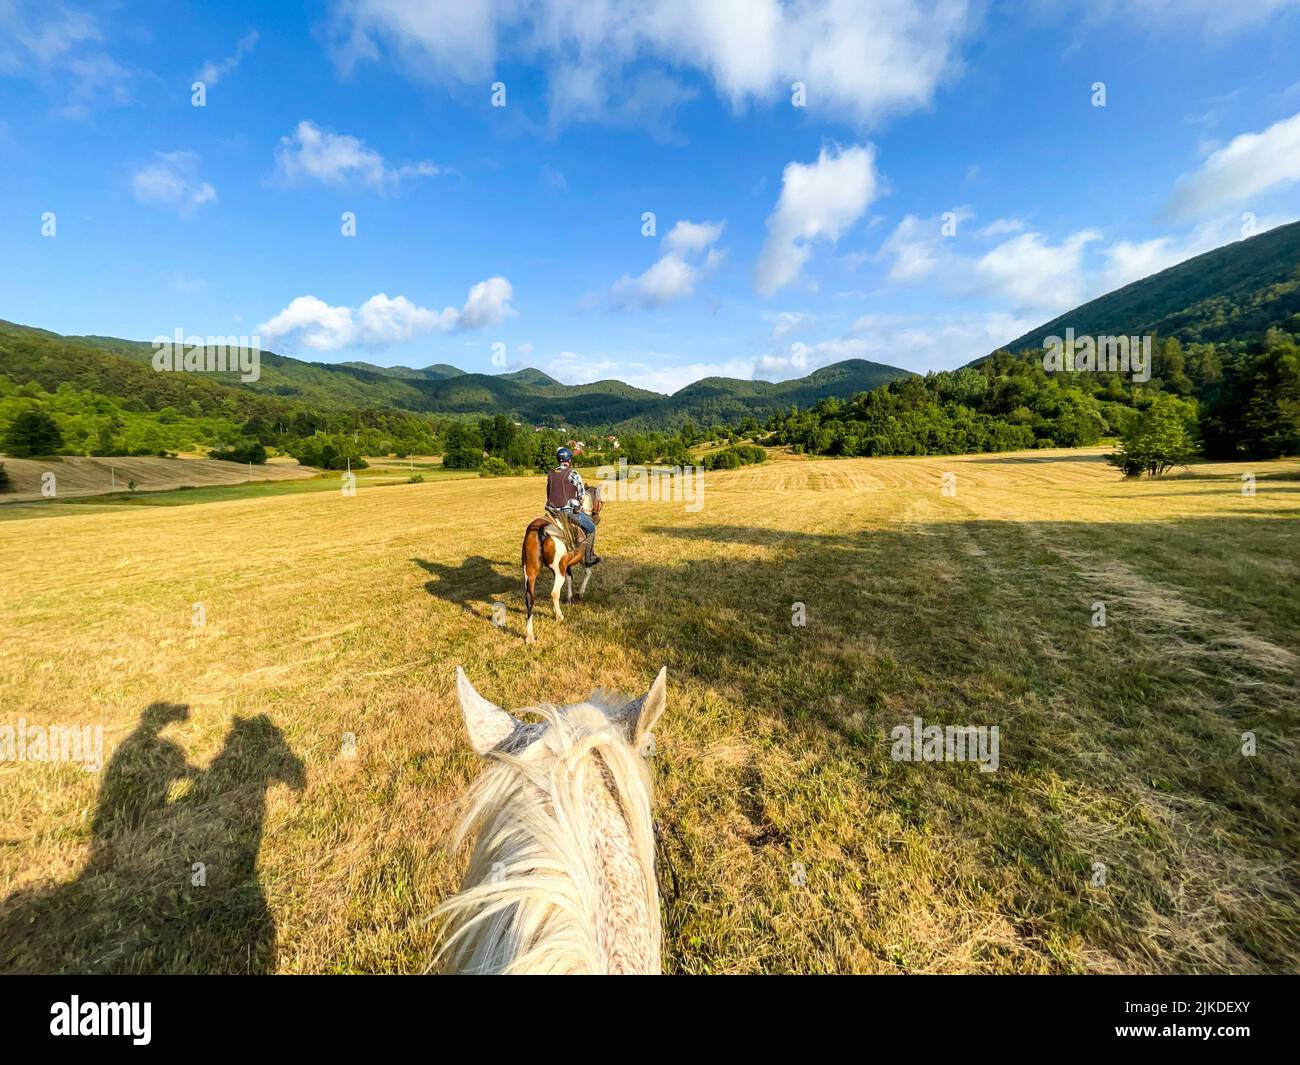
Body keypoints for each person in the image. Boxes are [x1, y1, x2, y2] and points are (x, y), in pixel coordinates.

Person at [546, 446, 600, 566]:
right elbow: (581, 495)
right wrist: (578, 504)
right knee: (591, 527)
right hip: (567, 512)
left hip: (551, 511)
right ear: (569, 460)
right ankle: (589, 557)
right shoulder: (573, 473)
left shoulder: (550, 473)